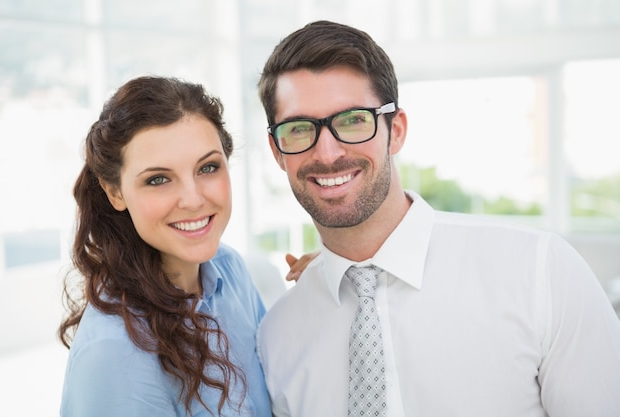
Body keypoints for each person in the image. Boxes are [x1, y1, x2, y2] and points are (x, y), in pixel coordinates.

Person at [256, 20, 620, 417]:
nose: (327, 153)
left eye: (352, 121)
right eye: (298, 129)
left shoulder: (540, 273)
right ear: (277, 152)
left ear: (395, 131)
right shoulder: (276, 339)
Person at [58, 75, 272, 416]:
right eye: (158, 179)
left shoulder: (230, 270)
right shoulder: (113, 354)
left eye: (208, 167)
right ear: (115, 192)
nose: (192, 199)